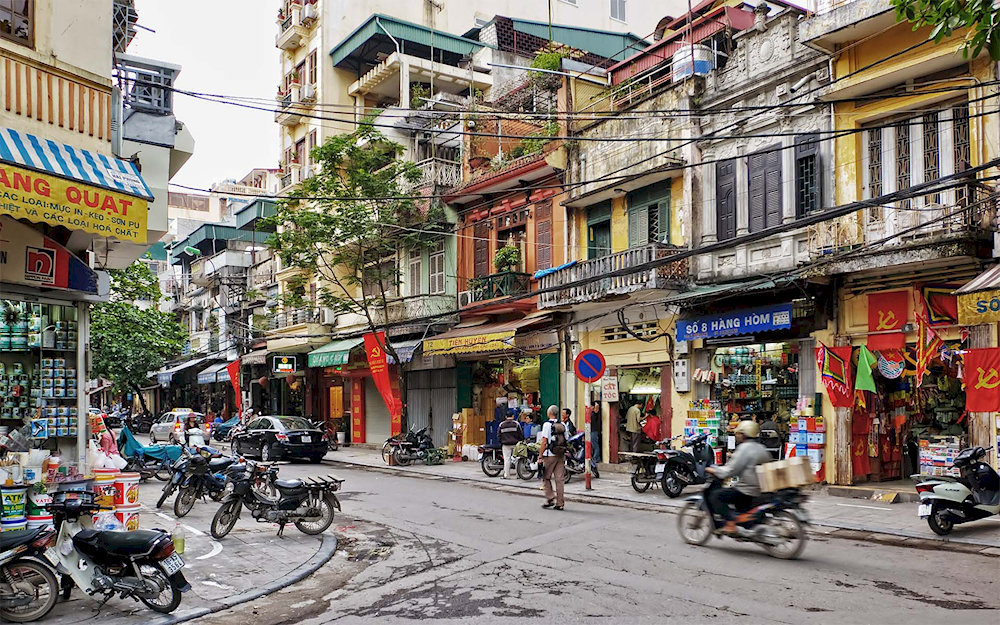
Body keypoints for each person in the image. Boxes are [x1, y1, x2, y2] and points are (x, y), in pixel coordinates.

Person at [706, 420, 772, 535]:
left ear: (744, 434)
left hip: (746, 489)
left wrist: (714, 470)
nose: (737, 436)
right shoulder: (762, 448)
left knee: (715, 496)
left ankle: (730, 524)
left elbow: (730, 470)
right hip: (760, 489)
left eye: (739, 433)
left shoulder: (744, 448)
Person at [538, 405, 568, 510]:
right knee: (559, 479)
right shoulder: (563, 424)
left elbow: (544, 441)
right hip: (560, 454)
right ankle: (560, 503)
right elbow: (567, 438)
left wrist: (540, 455)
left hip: (549, 455)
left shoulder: (547, 425)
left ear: (549, 413)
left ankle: (550, 498)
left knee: (545, 477)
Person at [497, 412, 523, 479]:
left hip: (505, 445)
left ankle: (507, 475)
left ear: (506, 416)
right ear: (513, 416)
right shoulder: (516, 424)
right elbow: (520, 434)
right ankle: (518, 475)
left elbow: (498, 435)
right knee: (517, 459)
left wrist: (501, 442)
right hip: (515, 444)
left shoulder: (501, 425)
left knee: (507, 459)